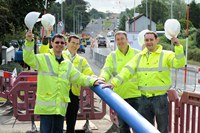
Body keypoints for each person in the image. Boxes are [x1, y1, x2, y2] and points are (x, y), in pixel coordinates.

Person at [104, 31, 186, 133]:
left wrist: (178, 46)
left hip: (160, 99)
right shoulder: (139, 56)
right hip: (144, 99)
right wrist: (113, 83)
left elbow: (179, 63)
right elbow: (127, 71)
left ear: (157, 40)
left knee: (163, 129)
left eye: (151, 39)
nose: (149, 42)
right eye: (146, 40)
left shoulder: (166, 55)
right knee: (145, 130)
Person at [23, 30, 103, 133]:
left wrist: (94, 81)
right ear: (52, 43)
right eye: (57, 42)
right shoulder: (44, 59)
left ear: (65, 45)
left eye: (61, 43)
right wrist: (29, 41)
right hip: (46, 108)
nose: (59, 45)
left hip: (60, 108)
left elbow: (79, 77)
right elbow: (28, 58)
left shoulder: (67, 64)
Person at [39, 30, 94, 132]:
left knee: (71, 122)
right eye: (73, 43)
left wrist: (96, 80)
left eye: (77, 44)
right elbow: (43, 55)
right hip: (59, 93)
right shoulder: (59, 54)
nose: (75, 45)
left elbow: (88, 74)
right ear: (67, 43)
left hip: (73, 94)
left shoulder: (82, 60)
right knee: (53, 123)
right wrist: (46, 37)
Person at [99, 31, 141, 133]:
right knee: (123, 126)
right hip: (121, 97)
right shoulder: (112, 56)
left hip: (137, 95)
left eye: (122, 39)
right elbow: (106, 69)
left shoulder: (137, 54)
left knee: (138, 126)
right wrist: (102, 78)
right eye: (118, 39)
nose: (120, 41)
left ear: (127, 40)